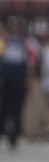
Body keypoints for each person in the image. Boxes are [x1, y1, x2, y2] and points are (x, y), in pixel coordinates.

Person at [0, 17, 31, 148]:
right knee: (16, 110)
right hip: (18, 82)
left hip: (6, 82)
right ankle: (13, 138)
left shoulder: (4, 43)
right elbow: (29, 64)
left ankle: (4, 133)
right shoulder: (23, 44)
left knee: (5, 109)